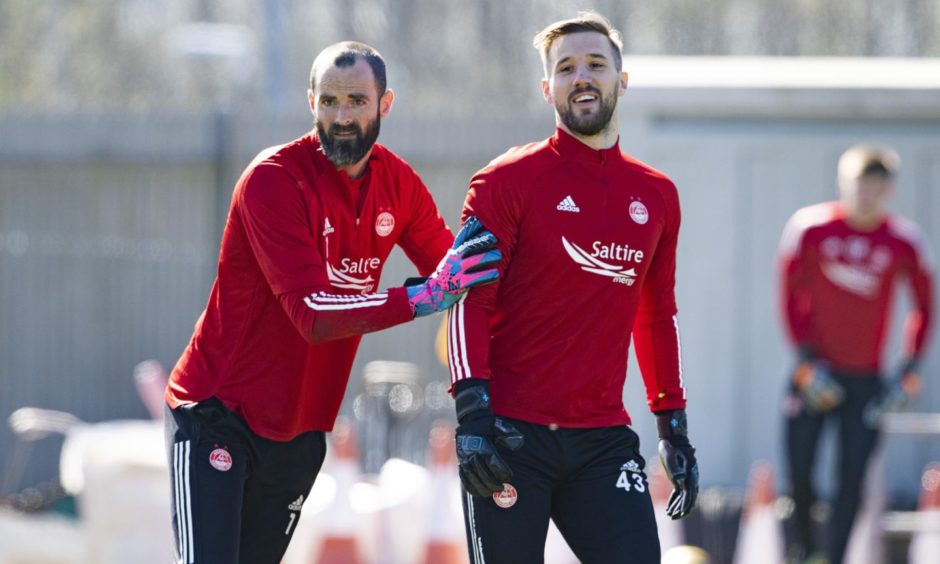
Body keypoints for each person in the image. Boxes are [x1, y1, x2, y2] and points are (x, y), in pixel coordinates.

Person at [163, 41, 501, 564]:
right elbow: (313, 315)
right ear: (311, 103)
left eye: (357, 102)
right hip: (217, 411)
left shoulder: (399, 184)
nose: (342, 117)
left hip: (301, 430)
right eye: (329, 101)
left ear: (385, 104)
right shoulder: (272, 180)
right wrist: (422, 295)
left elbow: (460, 276)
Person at [446, 12, 699, 564]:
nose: (581, 76)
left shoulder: (657, 195)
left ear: (621, 80)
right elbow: (468, 299)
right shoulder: (505, 181)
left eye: (595, 64)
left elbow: (656, 315)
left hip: (601, 440)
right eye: (565, 68)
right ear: (547, 88)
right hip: (510, 436)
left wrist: (672, 426)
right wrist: (473, 418)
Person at [778, 144, 934, 564]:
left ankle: (833, 557)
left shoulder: (904, 240)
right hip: (813, 372)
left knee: (851, 479)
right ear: (843, 183)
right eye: (858, 184)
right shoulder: (810, 228)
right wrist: (807, 362)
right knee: (799, 472)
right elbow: (790, 298)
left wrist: (909, 368)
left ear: (889, 189)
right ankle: (805, 553)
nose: (865, 194)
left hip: (867, 379)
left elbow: (924, 305)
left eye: (875, 186)